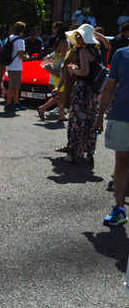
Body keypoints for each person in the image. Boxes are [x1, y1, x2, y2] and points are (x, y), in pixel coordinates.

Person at [93, 45, 129, 226]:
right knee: (121, 163)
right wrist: (99, 116)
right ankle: (120, 208)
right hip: (122, 116)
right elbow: (109, 86)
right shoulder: (121, 54)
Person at [61, 24, 101, 163]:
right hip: (93, 92)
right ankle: (89, 153)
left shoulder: (84, 52)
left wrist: (73, 69)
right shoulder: (96, 51)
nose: (77, 38)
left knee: (76, 122)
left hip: (82, 89)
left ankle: (73, 153)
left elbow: (84, 72)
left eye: (79, 36)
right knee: (90, 123)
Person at [39, 22, 69, 121]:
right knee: (61, 95)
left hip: (56, 67)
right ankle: (43, 108)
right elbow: (64, 56)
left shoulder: (58, 40)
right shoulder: (63, 41)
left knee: (60, 94)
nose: (52, 29)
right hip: (60, 69)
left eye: (53, 27)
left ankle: (61, 114)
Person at [4, 21, 30, 111]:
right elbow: (21, 55)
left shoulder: (10, 38)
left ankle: (16, 102)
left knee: (15, 86)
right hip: (16, 66)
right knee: (12, 86)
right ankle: (8, 104)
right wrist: (28, 58)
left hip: (9, 65)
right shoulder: (20, 41)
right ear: (22, 31)